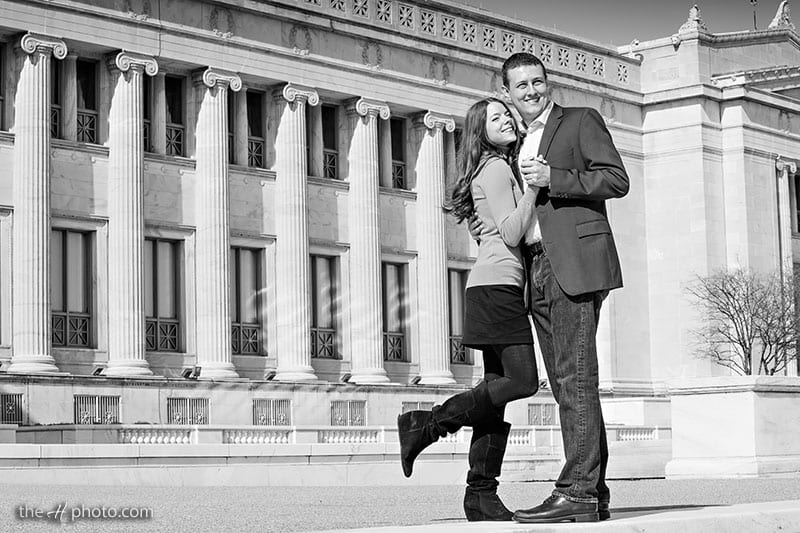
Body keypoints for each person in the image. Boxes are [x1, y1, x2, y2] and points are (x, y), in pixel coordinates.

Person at [477, 52, 630, 523]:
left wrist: (555, 178)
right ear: (507, 91)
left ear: (549, 83)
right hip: (535, 268)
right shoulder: (515, 142)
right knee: (567, 383)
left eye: (537, 82)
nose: (531, 91)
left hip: (574, 263)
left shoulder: (580, 120)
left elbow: (616, 179)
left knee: (575, 377)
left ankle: (576, 491)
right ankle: (594, 492)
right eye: (521, 85)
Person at [397, 97, 539, 522]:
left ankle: (480, 495)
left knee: (494, 399)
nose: (506, 120)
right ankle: (428, 424)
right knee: (523, 381)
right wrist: (535, 189)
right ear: (481, 131)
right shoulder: (496, 169)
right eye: (496, 118)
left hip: (494, 285)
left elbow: (494, 230)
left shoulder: (493, 167)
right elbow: (512, 232)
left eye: (507, 114)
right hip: (497, 287)